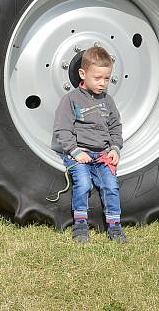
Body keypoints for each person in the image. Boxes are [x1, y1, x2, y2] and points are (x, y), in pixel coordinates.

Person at [52, 46, 126, 243]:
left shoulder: (107, 101)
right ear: (82, 74)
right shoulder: (71, 100)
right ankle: (81, 225)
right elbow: (62, 129)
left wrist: (115, 148)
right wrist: (75, 151)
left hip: (102, 154)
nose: (103, 84)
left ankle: (115, 226)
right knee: (83, 184)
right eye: (98, 78)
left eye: (107, 79)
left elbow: (115, 127)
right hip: (80, 154)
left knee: (111, 185)